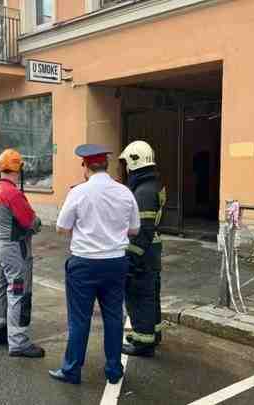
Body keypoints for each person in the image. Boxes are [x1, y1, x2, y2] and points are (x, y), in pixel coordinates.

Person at [49, 144, 140, 385]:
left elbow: (61, 228)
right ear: (106, 166)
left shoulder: (78, 193)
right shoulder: (125, 192)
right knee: (113, 317)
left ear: (86, 167)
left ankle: (71, 370)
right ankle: (113, 369)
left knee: (79, 319)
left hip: (84, 265)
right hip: (115, 263)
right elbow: (134, 229)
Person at [0, 149, 44, 358]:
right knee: (18, 292)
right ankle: (18, 342)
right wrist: (37, 224)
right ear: (17, 168)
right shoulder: (12, 193)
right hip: (14, 250)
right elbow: (31, 222)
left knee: (1, 288)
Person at [119, 141, 166, 357]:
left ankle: (143, 343)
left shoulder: (143, 192)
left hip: (143, 253)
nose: (125, 168)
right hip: (152, 250)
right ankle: (152, 334)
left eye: (126, 163)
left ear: (133, 162)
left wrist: (132, 260)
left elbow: (143, 231)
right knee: (151, 295)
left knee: (140, 297)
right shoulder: (152, 185)